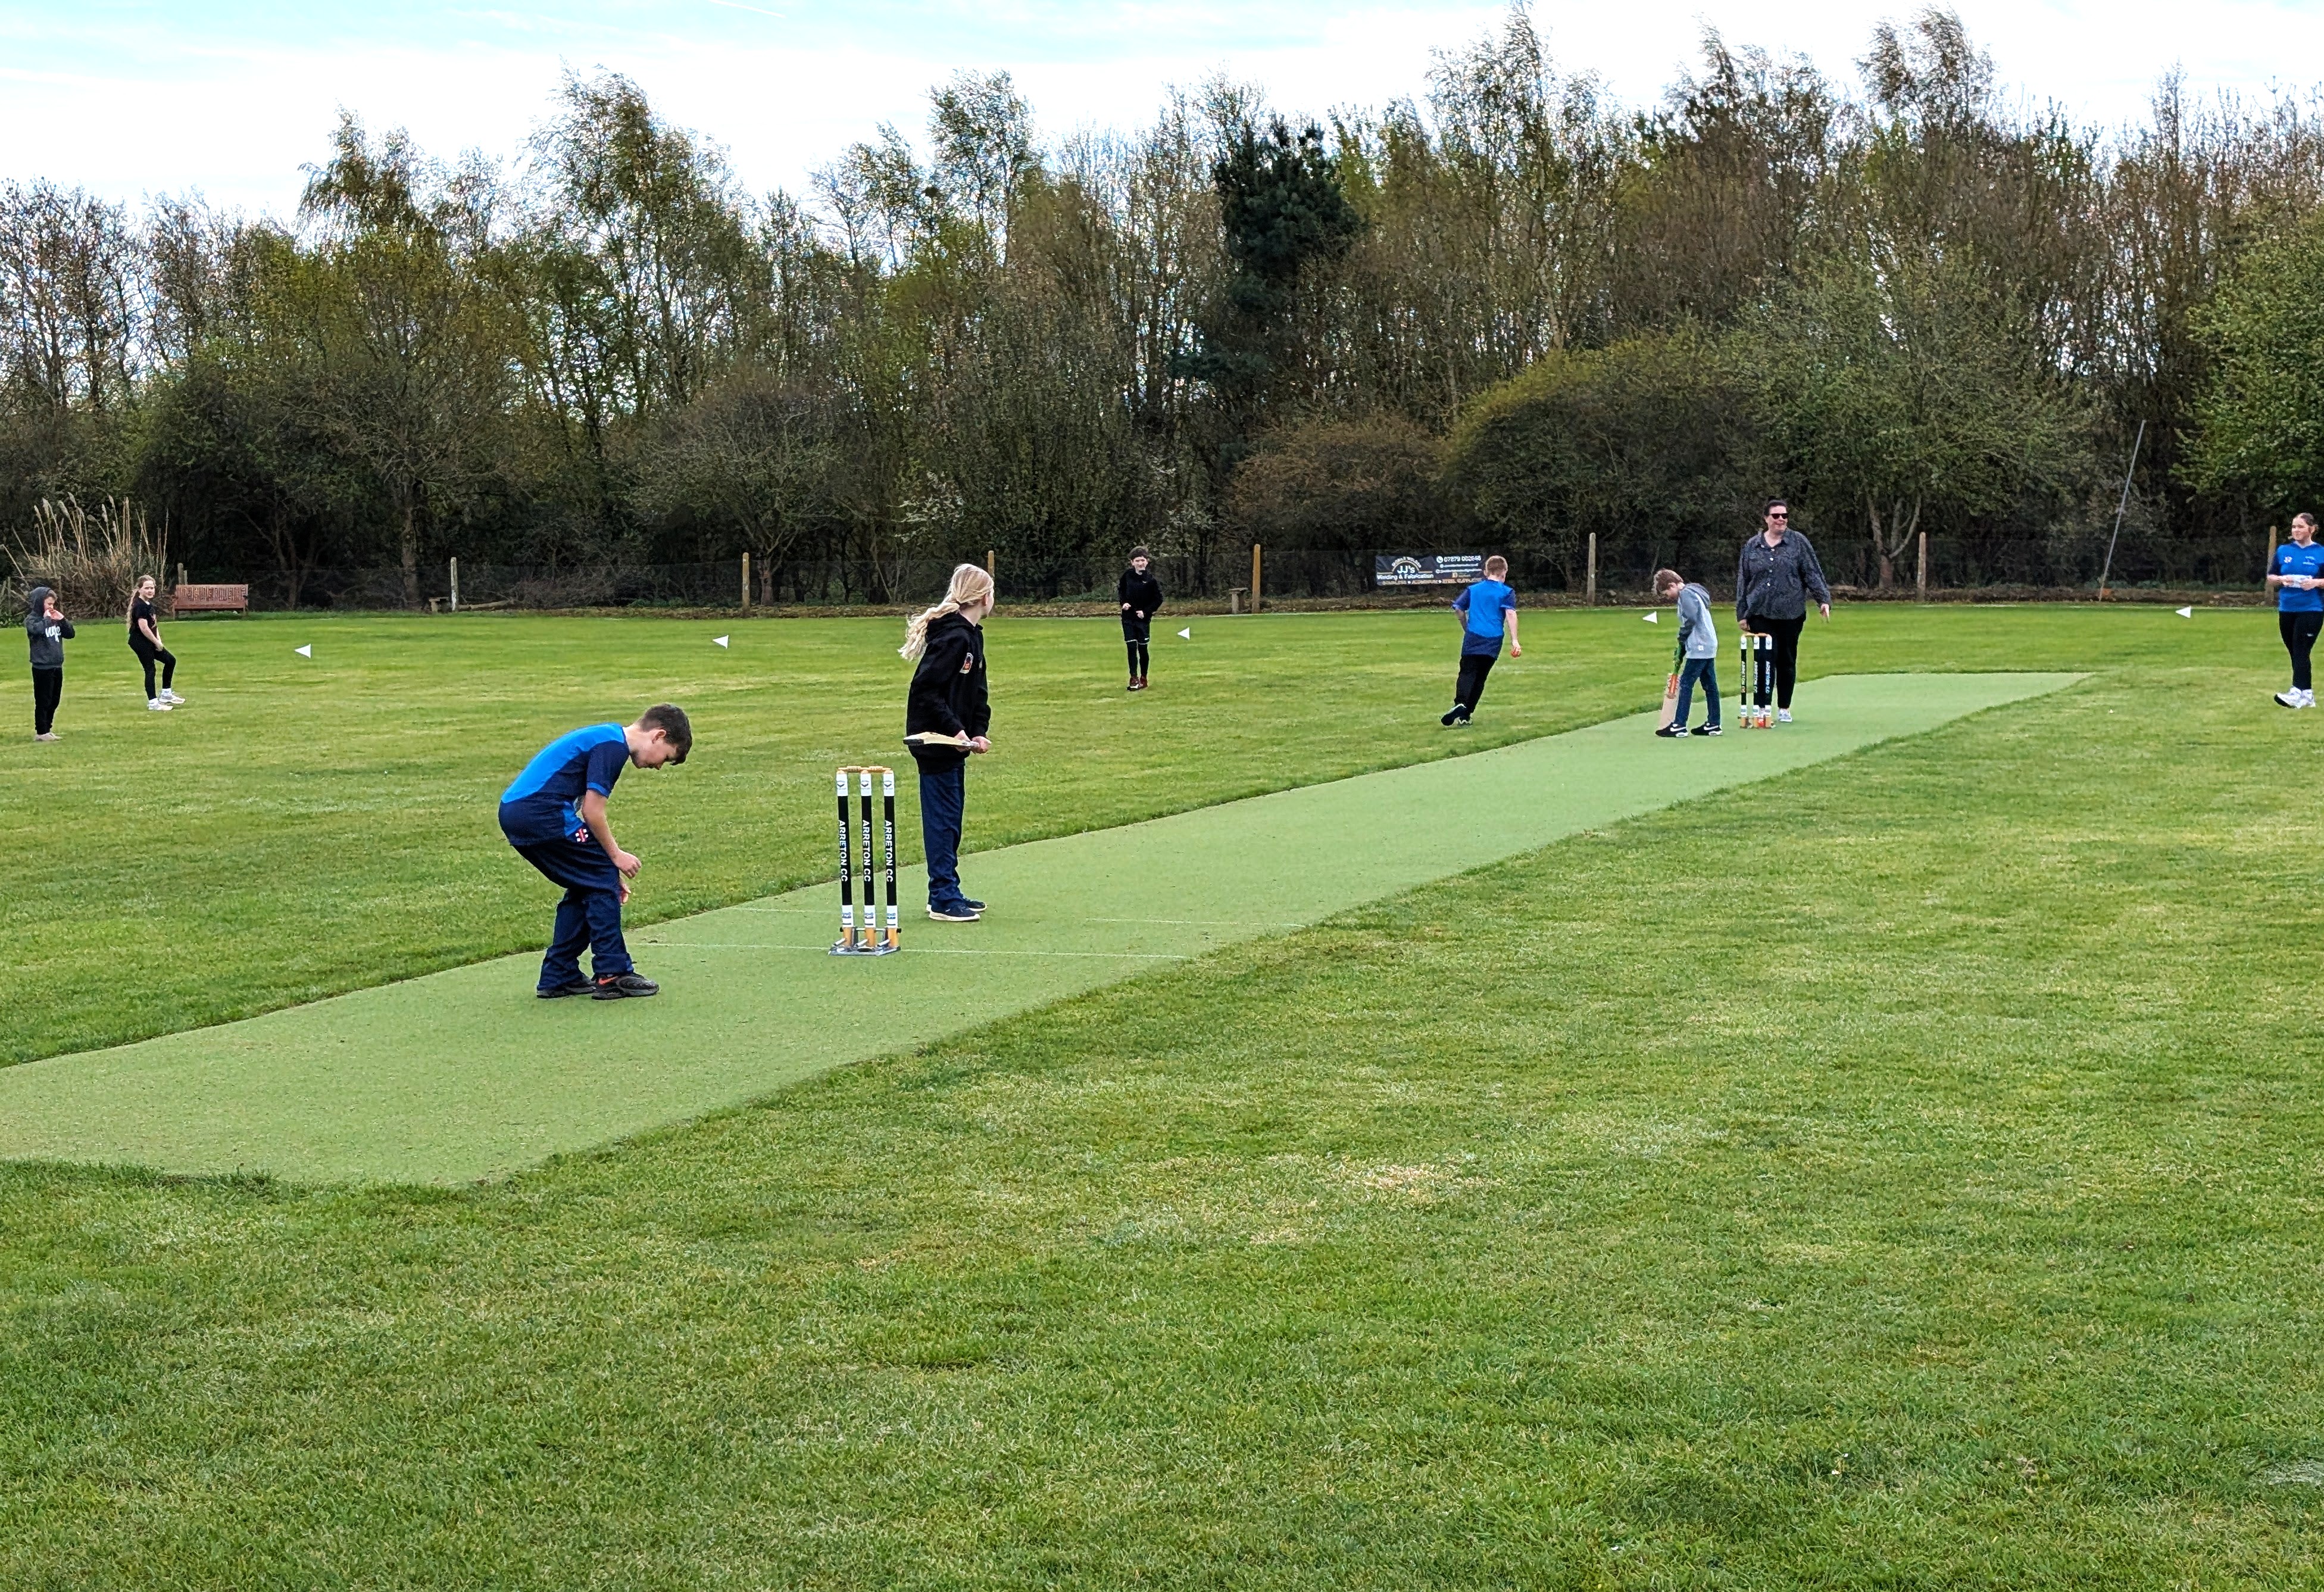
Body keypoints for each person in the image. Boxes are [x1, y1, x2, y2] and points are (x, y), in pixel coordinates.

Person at [496, 704, 692, 999]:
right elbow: (593, 811)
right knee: (601, 877)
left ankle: (559, 975)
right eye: (666, 756)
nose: (658, 766)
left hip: (517, 813)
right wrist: (614, 858)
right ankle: (613, 972)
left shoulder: (606, 736)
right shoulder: (613, 746)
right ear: (658, 735)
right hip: (541, 814)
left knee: (587, 884)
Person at [904, 563, 995, 922]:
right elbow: (925, 691)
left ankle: (947, 888)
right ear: (983, 596)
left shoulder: (973, 635)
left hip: (954, 739)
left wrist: (977, 731)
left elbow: (977, 692)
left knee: (952, 818)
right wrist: (955, 731)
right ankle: (942, 896)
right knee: (943, 819)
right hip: (933, 739)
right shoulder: (954, 637)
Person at [1734, 499, 1831, 723]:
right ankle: (1762, 708)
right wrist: (1742, 613)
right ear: (1766, 518)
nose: (1781, 520)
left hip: (1790, 612)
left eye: (1784, 516)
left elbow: (1812, 573)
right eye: (1776, 516)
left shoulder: (1798, 543)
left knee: (1786, 660)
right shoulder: (1752, 546)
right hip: (1759, 611)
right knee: (1764, 660)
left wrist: (1822, 600)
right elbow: (1743, 580)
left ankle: (1784, 707)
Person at [1440, 554, 1522, 726]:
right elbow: (1510, 614)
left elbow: (1459, 609)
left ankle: (1460, 703)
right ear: (1504, 572)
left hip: (1474, 636)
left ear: (1486, 572)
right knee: (1480, 677)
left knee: (1467, 672)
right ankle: (1466, 715)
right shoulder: (1507, 592)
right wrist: (1515, 640)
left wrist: (1466, 626)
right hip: (1493, 639)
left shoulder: (1473, 590)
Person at [1652, 567, 1722, 736]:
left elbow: (1691, 618)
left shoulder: (1686, 595)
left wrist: (1682, 637)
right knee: (1710, 685)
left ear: (1672, 585)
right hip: (1708, 644)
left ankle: (1679, 725)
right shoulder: (1695, 591)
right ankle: (1714, 723)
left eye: (1666, 593)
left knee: (1686, 683)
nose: (1668, 597)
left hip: (1699, 646)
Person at [2268, 512, 2324, 708]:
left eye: (2300, 527)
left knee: (2301, 649)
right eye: (2293, 527)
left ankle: (2296, 692)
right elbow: (2271, 577)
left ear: (2312, 529)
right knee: (2295, 651)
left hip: (2312, 609)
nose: (2296, 531)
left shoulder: (2321, 553)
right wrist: (2282, 580)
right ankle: (2307, 694)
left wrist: (2316, 582)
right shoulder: (2284, 551)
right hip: (2287, 608)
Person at [127, 575, 183, 712]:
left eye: (152, 588)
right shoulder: (139, 606)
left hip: (150, 640)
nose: (150, 591)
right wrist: (155, 642)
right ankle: (153, 703)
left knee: (170, 661)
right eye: (147, 588)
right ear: (139, 590)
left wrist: (159, 641)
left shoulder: (149, 605)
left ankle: (166, 694)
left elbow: (153, 626)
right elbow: (144, 628)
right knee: (150, 670)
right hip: (140, 642)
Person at [24, 585, 73, 742]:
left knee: (54, 699)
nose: (51, 607)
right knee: (43, 699)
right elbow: (36, 631)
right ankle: (41, 731)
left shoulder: (54, 619)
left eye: (53, 604)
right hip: (42, 666)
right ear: (40, 603)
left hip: (56, 664)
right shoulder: (32, 620)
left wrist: (62, 620)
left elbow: (70, 634)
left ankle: (48, 728)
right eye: (48, 604)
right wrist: (46, 619)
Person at [1119, 547, 1164, 691]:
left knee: (1143, 650)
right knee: (1131, 647)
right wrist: (1124, 603)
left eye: (1142, 560)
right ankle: (1133, 677)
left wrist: (1146, 612)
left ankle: (1143, 677)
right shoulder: (1127, 576)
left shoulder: (1151, 580)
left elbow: (1158, 599)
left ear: (1147, 562)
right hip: (1128, 618)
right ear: (1132, 562)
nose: (1140, 563)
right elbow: (1122, 591)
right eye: (1137, 561)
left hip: (1143, 620)